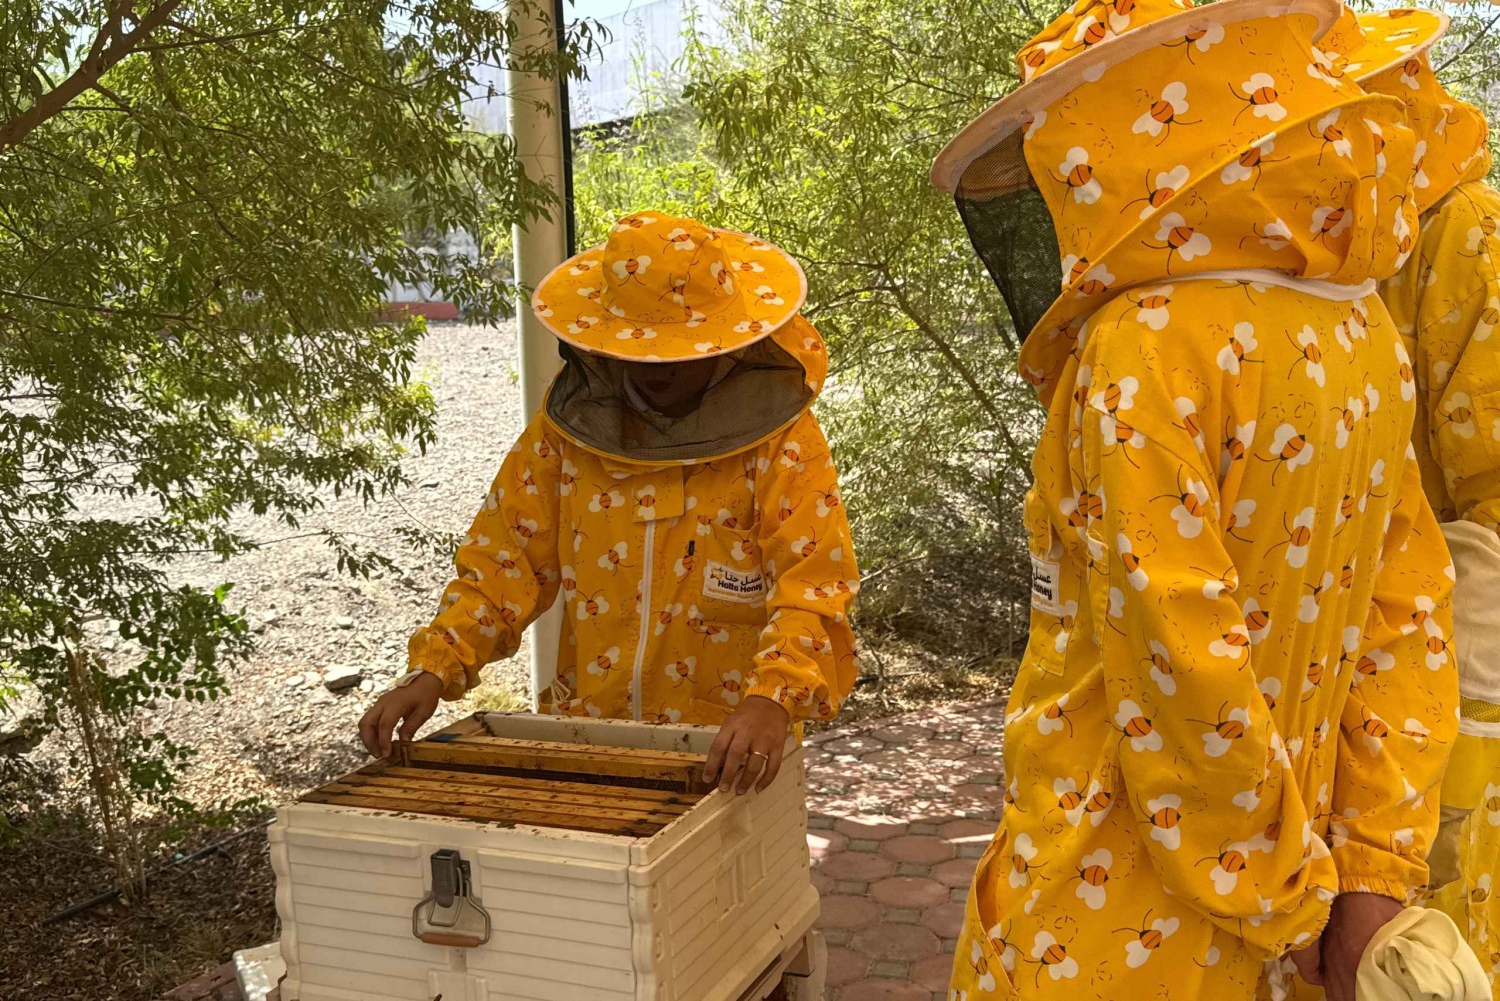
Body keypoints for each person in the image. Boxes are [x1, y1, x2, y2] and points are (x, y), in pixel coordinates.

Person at [928, 0, 1458, 998]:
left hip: (1105, 914)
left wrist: (1287, 899)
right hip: (1290, 915)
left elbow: (1182, 659)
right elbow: (1407, 621)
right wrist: (1365, 878)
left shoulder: (1144, 346)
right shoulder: (1364, 337)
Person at [358, 213, 861, 794]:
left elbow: (814, 583)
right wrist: (433, 667)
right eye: (643, 350)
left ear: (729, 340)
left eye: (680, 350)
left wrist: (775, 695)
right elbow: (504, 562)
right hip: (591, 740)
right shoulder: (564, 437)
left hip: (735, 751)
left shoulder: (781, 442)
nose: (660, 367)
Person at [1323, 7, 1500, 989]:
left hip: (1453, 623)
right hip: (1360, 622)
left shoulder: (1464, 226)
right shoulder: (1341, 249)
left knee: (1426, 905)